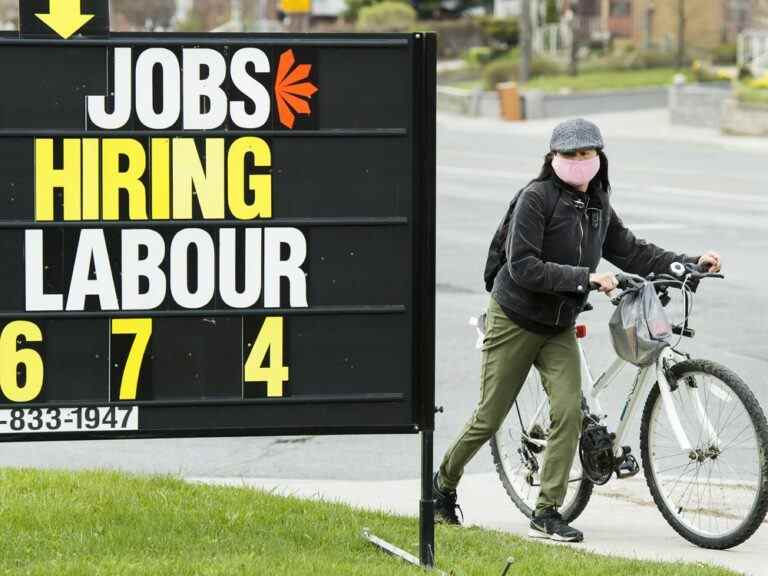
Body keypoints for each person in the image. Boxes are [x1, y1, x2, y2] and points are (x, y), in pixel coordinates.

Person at [432, 118, 722, 543]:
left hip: (558, 326)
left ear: (599, 158)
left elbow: (630, 249)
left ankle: (546, 511)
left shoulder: (598, 202)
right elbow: (523, 266)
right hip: (514, 319)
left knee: (567, 412)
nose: (579, 161)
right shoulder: (535, 199)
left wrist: (689, 263)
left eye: (587, 153)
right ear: (553, 159)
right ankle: (442, 486)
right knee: (488, 416)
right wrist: (586, 279)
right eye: (569, 154)